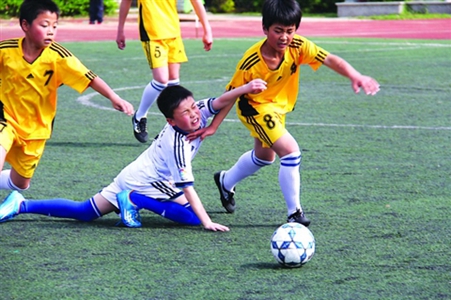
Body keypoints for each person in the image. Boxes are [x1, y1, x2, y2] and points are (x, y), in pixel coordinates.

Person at [190, 0, 380, 227]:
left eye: (289, 31)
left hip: (278, 107)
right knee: (290, 152)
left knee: (264, 157)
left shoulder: (298, 46)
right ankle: (295, 213)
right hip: (255, 108)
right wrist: (214, 125)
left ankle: (225, 181)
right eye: (278, 31)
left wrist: (354, 75)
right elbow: (230, 95)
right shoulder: (251, 62)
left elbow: (329, 59)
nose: (284, 37)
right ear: (265, 29)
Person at [0, 79, 267, 231]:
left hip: (141, 174)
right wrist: (208, 222)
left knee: (84, 212)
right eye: (185, 113)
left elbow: (221, 101)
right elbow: (189, 189)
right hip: (142, 183)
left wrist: (245, 89)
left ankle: (21, 204)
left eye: (192, 107)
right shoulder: (177, 144)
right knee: (194, 218)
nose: (194, 114)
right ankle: (133, 200)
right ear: (171, 121)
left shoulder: (195, 114)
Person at [0, 0, 134, 195]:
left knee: (21, 183)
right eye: (44, 25)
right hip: (6, 118)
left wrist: (114, 97)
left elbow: (89, 78)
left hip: (37, 130)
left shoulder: (59, 56)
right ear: (25, 25)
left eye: (55, 26)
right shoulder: (6, 50)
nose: (51, 31)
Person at [116, 0, 213, 143]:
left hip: (173, 33)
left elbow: (196, 1)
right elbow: (126, 2)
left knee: (173, 82)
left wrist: (207, 30)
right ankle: (140, 116)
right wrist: (120, 30)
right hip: (152, 33)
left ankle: (169, 130)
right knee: (161, 80)